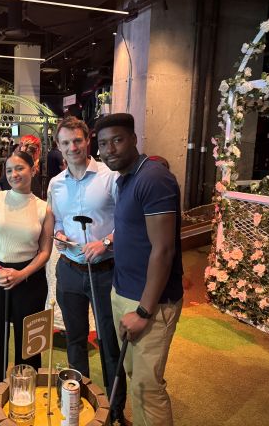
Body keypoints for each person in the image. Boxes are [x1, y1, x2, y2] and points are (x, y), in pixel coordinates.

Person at [96, 113, 184, 426]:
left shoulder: (154, 178)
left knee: (148, 387)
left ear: (134, 139)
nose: (109, 150)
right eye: (103, 144)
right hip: (125, 292)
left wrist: (144, 312)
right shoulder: (126, 179)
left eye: (117, 140)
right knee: (135, 377)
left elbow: (164, 250)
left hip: (151, 303)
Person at [47, 116, 127, 425]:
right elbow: (56, 220)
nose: (72, 147)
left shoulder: (110, 177)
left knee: (109, 342)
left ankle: (115, 410)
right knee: (75, 339)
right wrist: (59, 234)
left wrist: (106, 242)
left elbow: (127, 221)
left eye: (77, 140)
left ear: (87, 141)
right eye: (66, 142)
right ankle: (78, 403)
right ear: (58, 146)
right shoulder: (55, 184)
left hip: (105, 271)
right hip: (69, 270)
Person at [0, 150, 54, 418]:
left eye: (19, 168)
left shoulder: (43, 208)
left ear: (33, 169)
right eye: (9, 170)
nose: (14, 174)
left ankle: (26, 398)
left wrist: (23, 274)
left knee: (30, 343)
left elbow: (45, 251)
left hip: (29, 279)